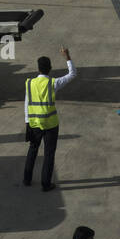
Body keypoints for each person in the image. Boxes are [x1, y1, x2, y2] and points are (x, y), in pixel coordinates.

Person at [23, 46, 77, 191]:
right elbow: (72, 74)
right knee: (49, 154)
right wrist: (67, 57)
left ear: (38, 68)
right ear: (50, 68)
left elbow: (27, 103)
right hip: (51, 125)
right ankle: (46, 183)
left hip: (34, 124)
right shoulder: (53, 83)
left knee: (32, 149)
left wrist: (27, 122)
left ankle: (27, 179)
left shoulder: (29, 83)